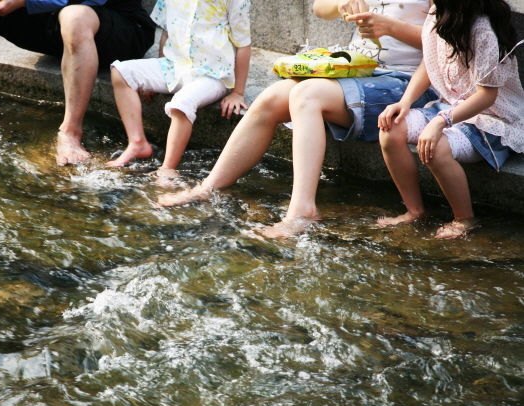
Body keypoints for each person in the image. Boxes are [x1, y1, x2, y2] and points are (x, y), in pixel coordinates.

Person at [158, 0, 438, 238]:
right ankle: (209, 187)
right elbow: (319, 7)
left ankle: (302, 210)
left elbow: (446, 40)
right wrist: (341, 4)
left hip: (407, 83)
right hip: (358, 68)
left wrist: (391, 27)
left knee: (306, 95)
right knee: (270, 99)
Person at [0, 0, 156, 166]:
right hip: (51, 20)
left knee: (75, 16)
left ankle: (71, 132)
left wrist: (23, 1)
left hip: (118, 27)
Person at [376, 0, 523, 239]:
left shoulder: (482, 29)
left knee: (436, 146)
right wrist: (404, 102)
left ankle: (464, 219)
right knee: (390, 129)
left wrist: (440, 121)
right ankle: (415, 211)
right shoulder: (438, 13)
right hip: (453, 108)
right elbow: (430, 61)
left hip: (493, 119)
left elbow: (488, 96)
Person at [106, 0, 251, 182]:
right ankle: (137, 142)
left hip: (213, 74)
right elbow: (167, 32)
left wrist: (238, 92)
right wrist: (158, 79)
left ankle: (167, 168)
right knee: (121, 72)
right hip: (174, 66)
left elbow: (243, 45)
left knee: (181, 103)